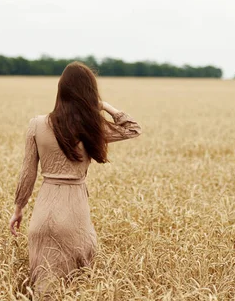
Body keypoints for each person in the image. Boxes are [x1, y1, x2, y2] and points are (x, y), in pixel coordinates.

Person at [9, 61, 141, 294]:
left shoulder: (37, 124)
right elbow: (133, 129)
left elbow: (27, 173)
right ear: (89, 94)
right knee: (78, 287)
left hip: (42, 215)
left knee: (43, 289)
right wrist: (104, 107)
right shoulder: (91, 127)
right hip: (74, 215)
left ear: (60, 90)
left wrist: (18, 208)